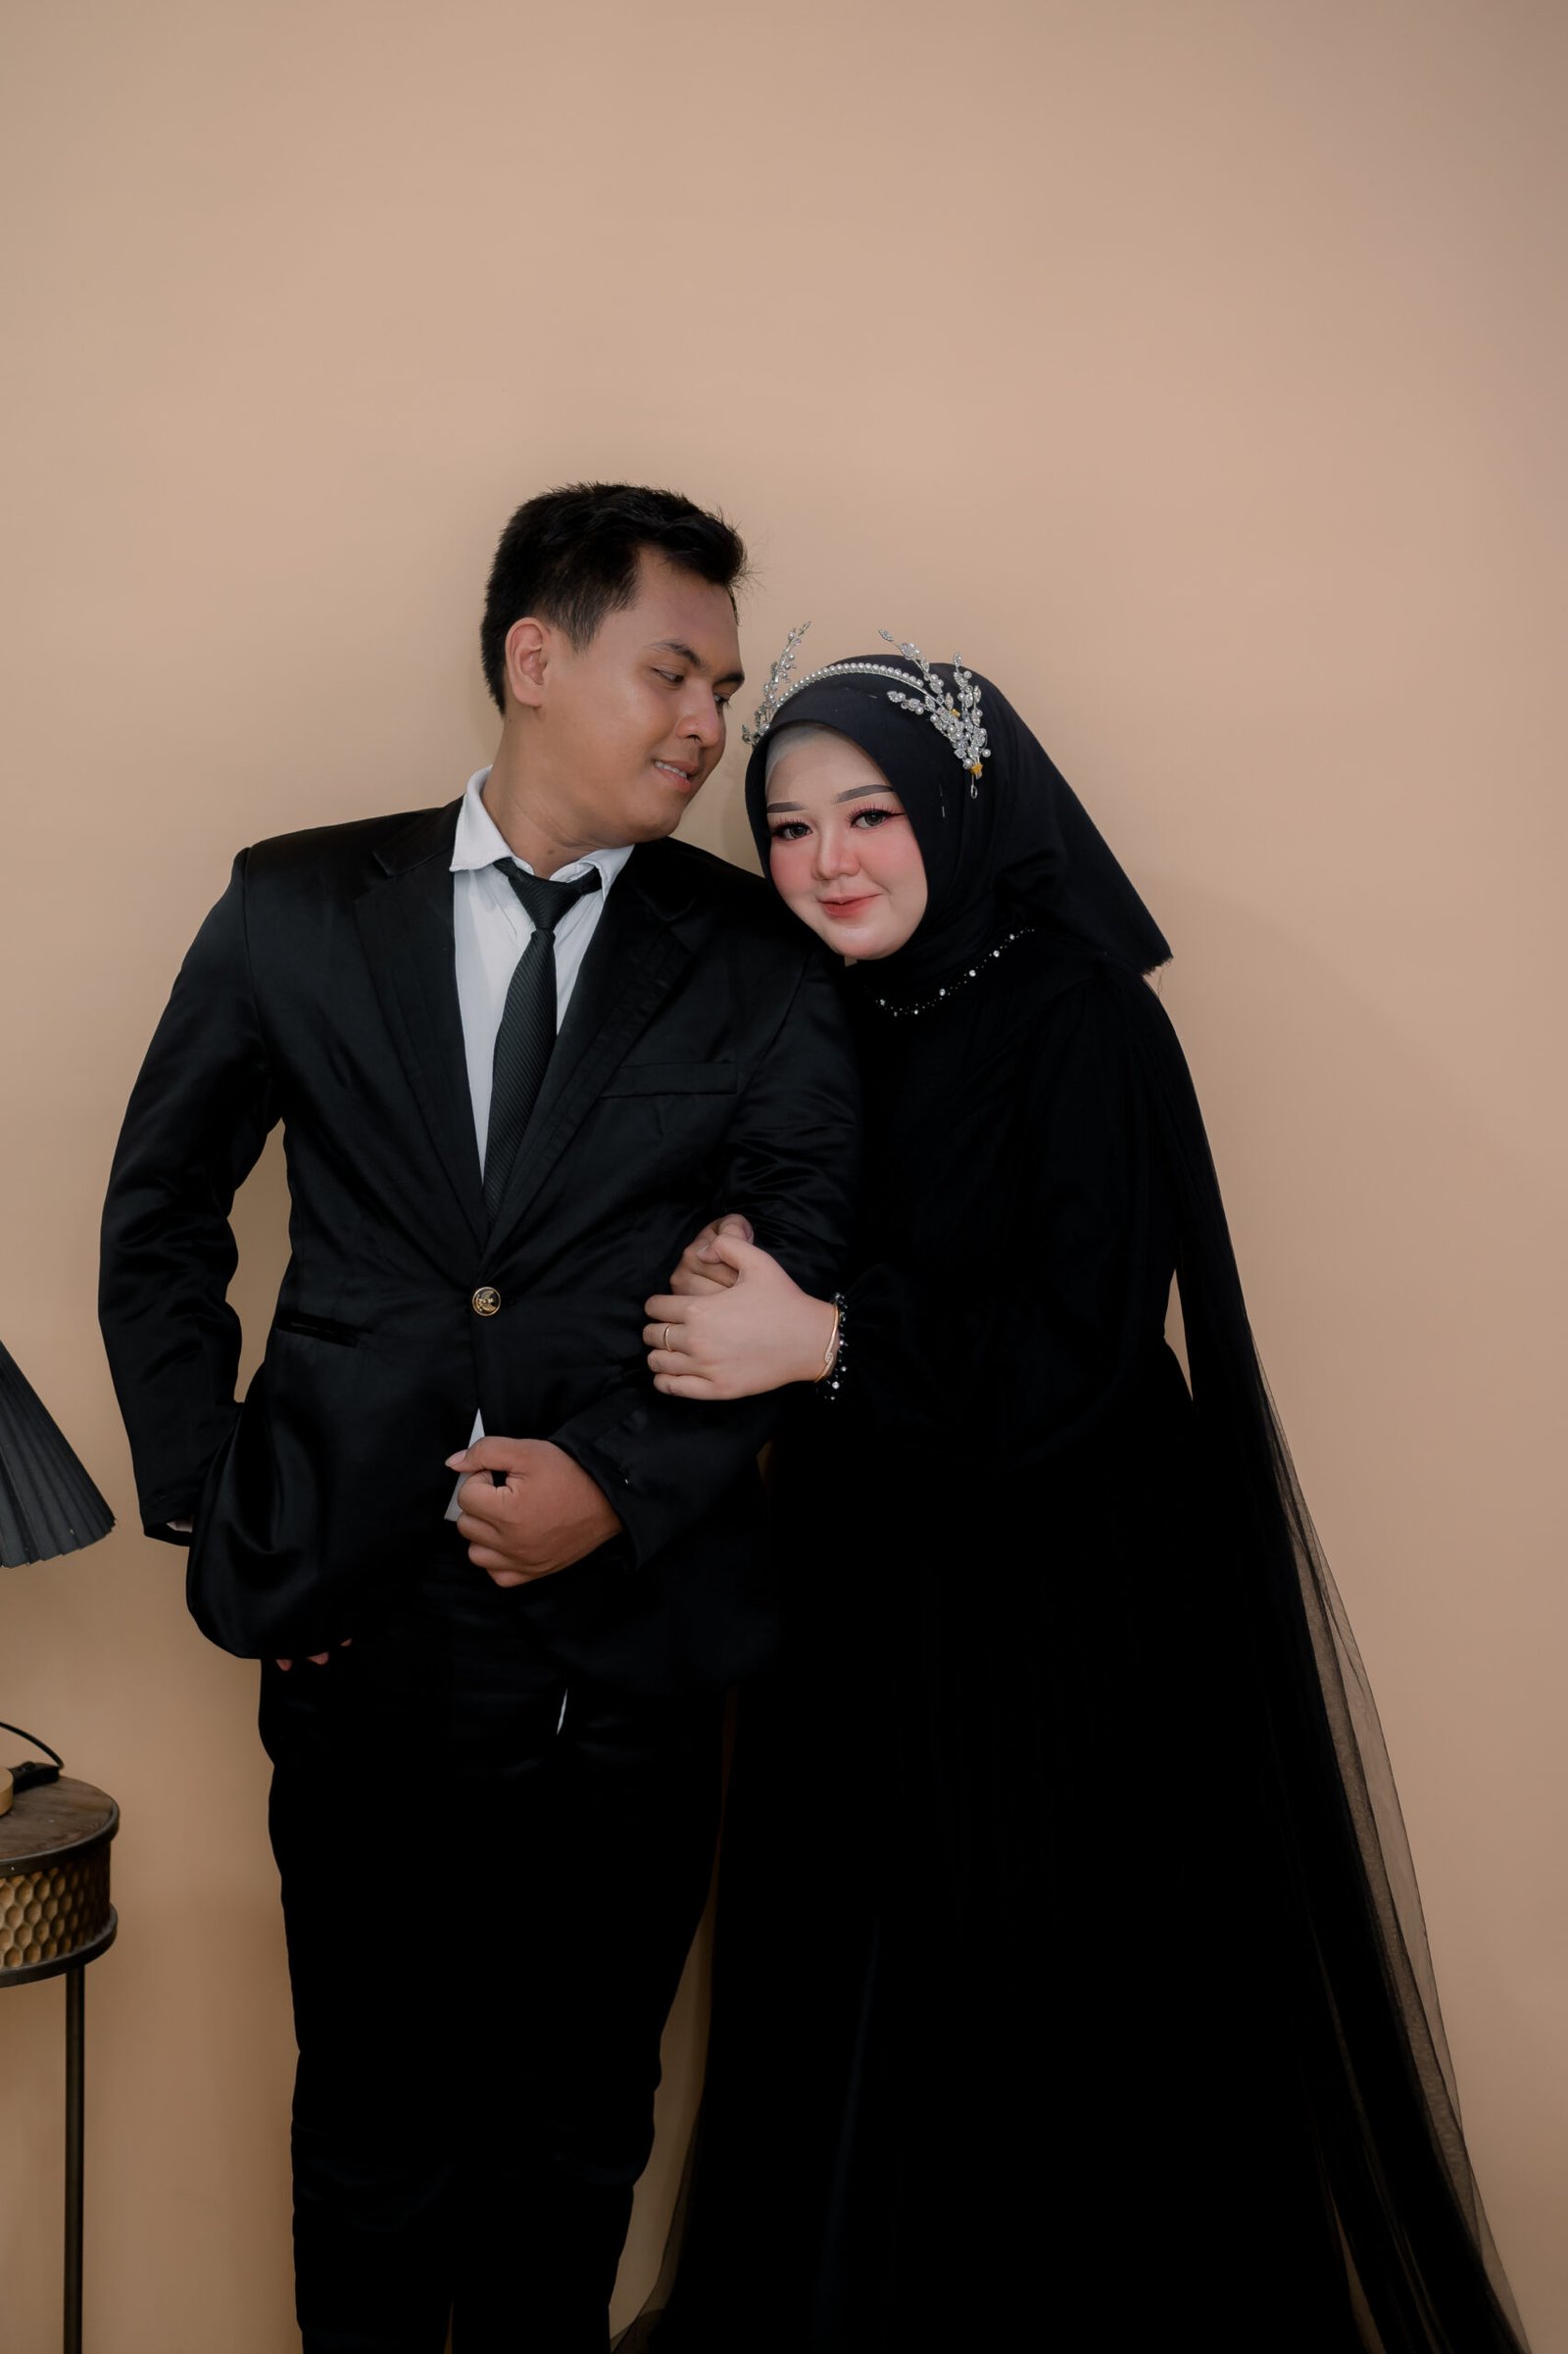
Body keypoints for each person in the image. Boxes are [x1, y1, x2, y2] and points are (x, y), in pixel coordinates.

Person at [630, 634, 1530, 2351]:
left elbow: (1084, 1340)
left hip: (1059, 1602)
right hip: (857, 1593)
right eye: (791, 825)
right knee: (850, 2012)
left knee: (1040, 2011)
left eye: (872, 813)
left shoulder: (1082, 1014)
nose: (827, 861)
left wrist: (820, 1336)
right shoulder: (810, 1013)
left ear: (961, 807)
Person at [96, 488, 858, 2354]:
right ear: (535, 657)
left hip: (637, 1655)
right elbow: (161, 1211)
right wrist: (229, 1501)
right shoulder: (295, 905)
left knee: (576, 2135)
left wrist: (620, 1482)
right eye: (672, 672)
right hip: (354, 1628)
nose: (709, 724)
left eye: (723, 689)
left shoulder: (757, 957)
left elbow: (805, 1258)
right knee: (369, 2128)